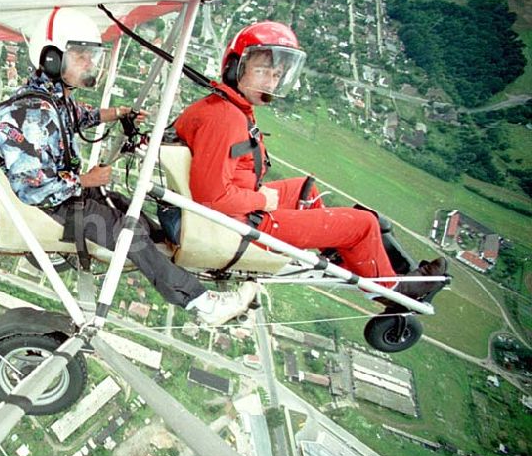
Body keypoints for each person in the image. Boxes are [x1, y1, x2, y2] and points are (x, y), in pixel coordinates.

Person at [0, 7, 258, 326]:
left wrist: (118, 112)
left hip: (68, 196)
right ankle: (202, 303)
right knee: (127, 234)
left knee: (128, 210)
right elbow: (32, 190)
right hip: (53, 207)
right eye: (80, 56)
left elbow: (78, 116)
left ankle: (180, 266)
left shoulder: (51, 99)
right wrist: (86, 181)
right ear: (51, 58)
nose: (89, 64)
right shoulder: (25, 115)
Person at [174, 21, 446, 299]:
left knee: (305, 190)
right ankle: (393, 291)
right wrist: (262, 201)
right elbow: (212, 199)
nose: (270, 82)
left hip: (241, 210)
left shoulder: (225, 106)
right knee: (363, 224)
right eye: (261, 71)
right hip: (240, 225)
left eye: (276, 74)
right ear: (235, 67)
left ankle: (347, 257)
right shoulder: (226, 118)